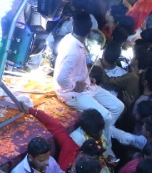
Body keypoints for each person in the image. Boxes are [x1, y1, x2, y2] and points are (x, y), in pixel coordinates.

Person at [52, 12, 125, 149]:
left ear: (73, 25)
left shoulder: (71, 38)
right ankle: (106, 147)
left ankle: (103, 133)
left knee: (118, 107)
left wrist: (85, 77)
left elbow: (78, 67)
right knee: (107, 117)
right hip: (72, 93)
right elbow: (61, 79)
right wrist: (74, 86)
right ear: (90, 30)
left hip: (87, 85)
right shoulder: (73, 50)